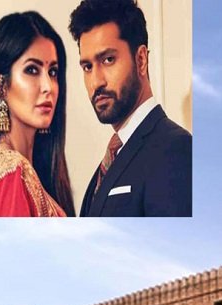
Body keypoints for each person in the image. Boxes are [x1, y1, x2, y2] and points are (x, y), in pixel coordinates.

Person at [69, 0, 192, 217]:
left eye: (108, 60)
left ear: (141, 60)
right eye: (87, 67)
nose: (96, 82)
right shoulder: (110, 161)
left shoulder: (175, 148)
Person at [0, 12, 75, 217]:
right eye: (32, 70)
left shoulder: (15, 170)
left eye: (52, 72)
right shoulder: (11, 175)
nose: (48, 87)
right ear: (1, 87)